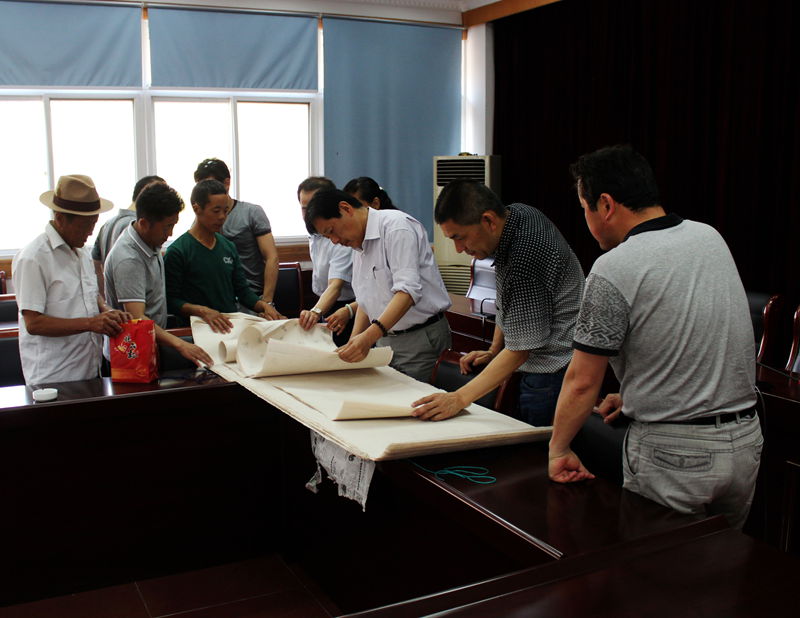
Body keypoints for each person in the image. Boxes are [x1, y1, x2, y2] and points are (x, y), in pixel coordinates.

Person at [548, 145, 763, 529]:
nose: (585, 219)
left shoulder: (613, 267)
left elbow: (582, 381)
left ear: (606, 204)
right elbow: (694, 335)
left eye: (584, 208)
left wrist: (558, 448)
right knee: (723, 562)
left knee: (659, 566)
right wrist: (636, 393)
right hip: (745, 443)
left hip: (673, 454)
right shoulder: (709, 236)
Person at [412, 180, 584, 424]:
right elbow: (508, 300)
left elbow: (519, 351)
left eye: (460, 237)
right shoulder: (519, 214)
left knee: (539, 446)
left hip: (553, 374)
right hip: (549, 363)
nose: (459, 249)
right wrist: (494, 350)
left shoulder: (524, 260)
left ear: (489, 221)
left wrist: (458, 398)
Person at [304, 189, 451, 382]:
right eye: (328, 237)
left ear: (345, 208)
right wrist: (353, 343)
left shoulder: (396, 227)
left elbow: (407, 292)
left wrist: (367, 337)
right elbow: (367, 300)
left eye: (331, 231)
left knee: (413, 399)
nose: (335, 241)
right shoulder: (358, 243)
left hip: (418, 339)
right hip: (384, 340)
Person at [13, 174, 131, 385]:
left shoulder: (82, 251)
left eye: (94, 223)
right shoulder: (33, 258)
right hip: (54, 376)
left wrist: (106, 311)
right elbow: (34, 323)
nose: (91, 232)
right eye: (85, 225)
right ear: (60, 219)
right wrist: (91, 323)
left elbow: (90, 295)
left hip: (89, 368)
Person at [104, 182, 213, 368]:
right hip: (128, 354)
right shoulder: (128, 259)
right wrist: (180, 344)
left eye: (173, 225)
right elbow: (137, 318)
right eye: (166, 227)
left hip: (149, 343)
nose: (170, 233)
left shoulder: (149, 241)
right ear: (144, 223)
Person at [165, 179, 276, 333]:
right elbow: (171, 301)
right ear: (197, 209)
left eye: (225, 210)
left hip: (230, 327)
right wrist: (201, 311)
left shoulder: (228, 247)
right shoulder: (178, 251)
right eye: (216, 211)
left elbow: (242, 291)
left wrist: (264, 306)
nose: (222, 217)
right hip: (196, 330)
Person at [193, 158, 281, 319]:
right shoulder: (201, 219)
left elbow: (271, 257)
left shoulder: (251, 212)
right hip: (216, 301)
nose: (205, 192)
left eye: (210, 184)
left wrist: (266, 302)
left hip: (251, 297)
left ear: (226, 183)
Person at [297, 177, 357, 346]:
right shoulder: (314, 233)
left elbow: (335, 286)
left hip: (347, 307)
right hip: (324, 303)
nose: (308, 214)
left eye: (313, 206)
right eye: (304, 208)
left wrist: (316, 312)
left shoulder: (340, 237)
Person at [92, 175, 164, 297]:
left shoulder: (107, 224)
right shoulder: (137, 227)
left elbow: (95, 262)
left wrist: (104, 296)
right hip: (134, 299)